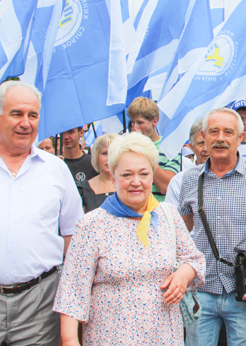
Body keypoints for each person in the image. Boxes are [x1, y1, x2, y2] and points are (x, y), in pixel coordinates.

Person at [54, 132, 206, 345]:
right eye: (127, 175)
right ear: (113, 177)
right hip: (110, 338)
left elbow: (195, 259)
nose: (136, 182)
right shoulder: (91, 226)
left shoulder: (168, 215)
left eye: (143, 174)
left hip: (164, 337)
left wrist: (183, 275)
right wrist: (70, 340)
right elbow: (72, 293)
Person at [0, 81, 83, 345]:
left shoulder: (56, 170)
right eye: (17, 114)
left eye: (33, 115)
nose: (26, 123)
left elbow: (74, 237)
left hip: (39, 305)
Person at [178, 107, 246, 345]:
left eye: (228, 132)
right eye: (214, 131)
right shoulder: (190, 178)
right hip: (200, 289)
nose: (220, 138)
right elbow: (181, 234)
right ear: (204, 136)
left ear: (240, 137)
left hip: (244, 289)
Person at [128, 96, 182, 201]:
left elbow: (165, 187)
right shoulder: (127, 147)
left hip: (158, 208)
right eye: (132, 123)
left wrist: (144, 150)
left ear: (154, 121)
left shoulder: (169, 147)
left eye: (140, 123)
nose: (135, 128)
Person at [165, 119, 205, 215]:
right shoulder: (179, 181)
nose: (206, 148)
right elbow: (172, 217)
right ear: (191, 147)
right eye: (200, 143)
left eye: (209, 142)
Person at [76, 133, 119, 213]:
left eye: (113, 153)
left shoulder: (130, 186)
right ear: (96, 156)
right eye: (104, 153)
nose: (109, 158)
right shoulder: (82, 189)